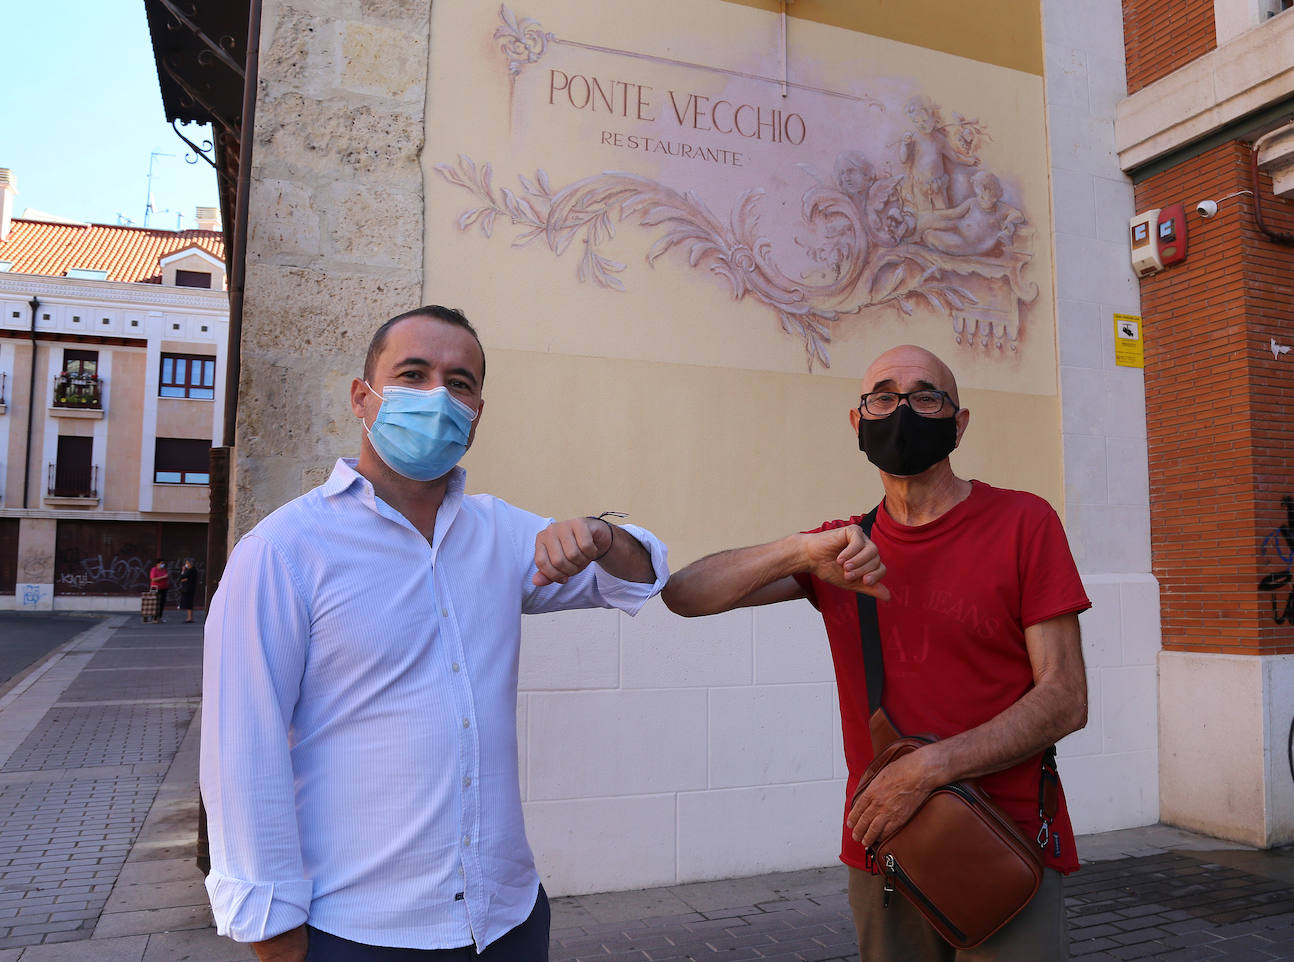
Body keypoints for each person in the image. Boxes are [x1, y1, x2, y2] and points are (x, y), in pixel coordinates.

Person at [200, 306, 673, 962]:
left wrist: (601, 533)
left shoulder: (499, 534)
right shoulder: (283, 551)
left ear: (477, 410)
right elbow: (242, 750)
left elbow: (640, 578)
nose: (436, 397)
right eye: (413, 374)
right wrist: (274, 935)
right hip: (358, 932)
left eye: (459, 382)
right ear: (363, 398)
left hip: (507, 920)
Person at [662, 344, 1089, 961]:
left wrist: (928, 769)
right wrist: (799, 552)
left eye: (925, 397)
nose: (902, 411)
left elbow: (1066, 698)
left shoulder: (1024, 522)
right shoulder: (840, 552)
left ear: (959, 422)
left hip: (1005, 843)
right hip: (886, 846)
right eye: (883, 398)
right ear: (858, 421)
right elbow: (686, 594)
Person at [148, 558, 170, 623]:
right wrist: (163, 577)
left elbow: (166, 576)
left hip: (164, 588)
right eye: (161, 563)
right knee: (155, 603)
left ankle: (159, 617)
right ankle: (154, 618)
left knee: (162, 603)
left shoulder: (164, 570)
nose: (163, 564)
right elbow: (153, 579)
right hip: (156, 588)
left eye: (163, 563)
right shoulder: (154, 570)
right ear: (158, 564)